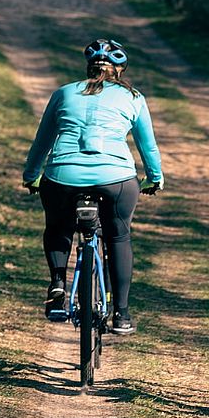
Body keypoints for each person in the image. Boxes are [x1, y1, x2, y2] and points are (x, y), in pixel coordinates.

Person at [22, 39, 164, 335]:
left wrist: (31, 174)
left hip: (63, 176)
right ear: (120, 70)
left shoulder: (63, 94)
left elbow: (42, 142)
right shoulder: (133, 97)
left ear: (89, 67)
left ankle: (58, 285)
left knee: (58, 228)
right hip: (117, 179)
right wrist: (154, 177)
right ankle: (122, 314)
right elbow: (147, 146)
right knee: (118, 236)